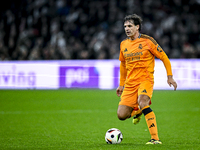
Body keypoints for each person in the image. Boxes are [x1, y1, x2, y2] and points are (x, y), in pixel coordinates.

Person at [116, 14, 177, 144]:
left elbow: (164, 57)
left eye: (130, 26)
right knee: (121, 115)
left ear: (137, 27)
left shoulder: (148, 41)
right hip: (130, 83)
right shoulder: (123, 44)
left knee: (143, 101)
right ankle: (138, 111)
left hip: (145, 79)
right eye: (125, 26)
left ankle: (155, 138)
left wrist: (170, 77)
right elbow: (122, 64)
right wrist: (121, 84)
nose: (127, 29)